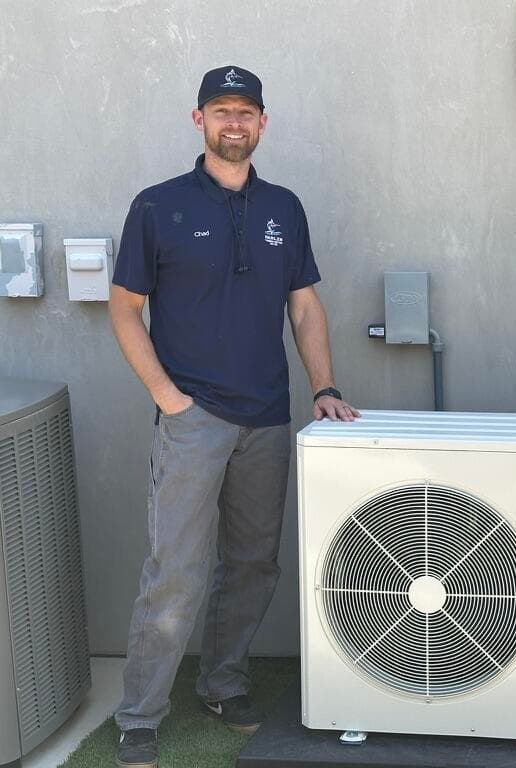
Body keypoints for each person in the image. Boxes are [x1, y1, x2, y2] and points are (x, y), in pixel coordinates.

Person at [108, 65, 359, 768]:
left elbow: (303, 305)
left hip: (268, 418)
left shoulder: (285, 207)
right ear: (199, 121)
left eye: (246, 112)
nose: (234, 124)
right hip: (192, 418)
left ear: (262, 124)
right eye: (221, 111)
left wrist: (324, 387)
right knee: (176, 573)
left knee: (252, 563)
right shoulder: (157, 207)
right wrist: (167, 398)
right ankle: (140, 715)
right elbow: (125, 310)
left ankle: (223, 684)